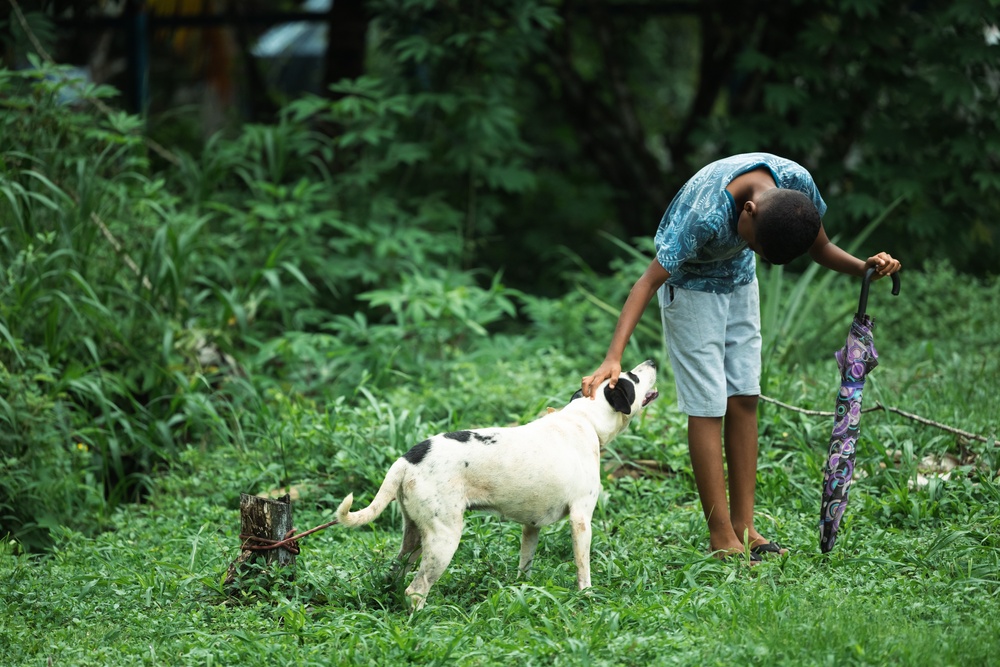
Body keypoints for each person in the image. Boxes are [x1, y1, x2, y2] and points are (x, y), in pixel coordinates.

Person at [580, 153, 901, 561]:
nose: (751, 247)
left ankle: (745, 527)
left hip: (740, 288)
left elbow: (820, 248)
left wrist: (865, 268)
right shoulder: (705, 214)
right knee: (709, 406)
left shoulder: (795, 186)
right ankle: (721, 536)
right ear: (747, 210)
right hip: (692, 291)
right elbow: (646, 283)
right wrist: (614, 355)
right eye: (754, 243)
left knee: (746, 396)